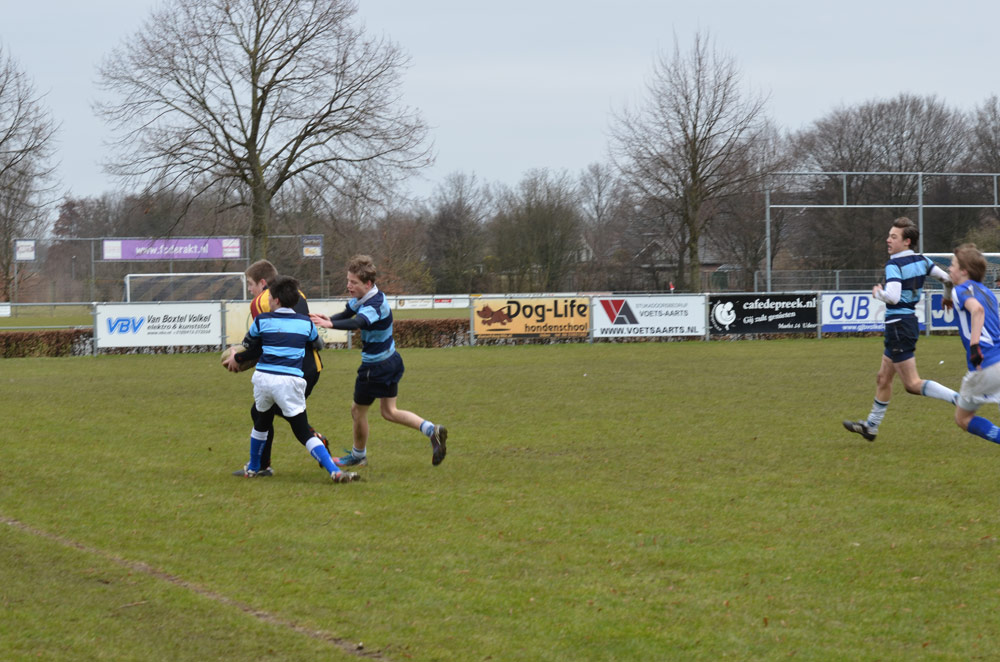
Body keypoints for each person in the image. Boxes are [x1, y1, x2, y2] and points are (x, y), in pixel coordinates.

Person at [310, 255, 447, 467]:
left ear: (368, 283)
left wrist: (331, 325)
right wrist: (328, 319)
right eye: (348, 281)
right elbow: (347, 313)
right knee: (389, 411)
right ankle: (432, 430)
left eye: (354, 282)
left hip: (375, 367)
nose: (349, 286)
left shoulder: (374, 305)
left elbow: (357, 322)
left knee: (357, 411)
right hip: (391, 360)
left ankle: (358, 456)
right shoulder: (366, 296)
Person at [229, 275, 358, 482]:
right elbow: (318, 344)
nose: (267, 300)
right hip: (290, 381)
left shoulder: (262, 320)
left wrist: (236, 357)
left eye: (269, 297)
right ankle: (334, 471)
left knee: (261, 422)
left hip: (264, 379)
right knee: (302, 431)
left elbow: (250, 348)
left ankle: (253, 467)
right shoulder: (305, 323)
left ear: (276, 300)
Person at [843, 217, 958, 441]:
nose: (888, 240)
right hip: (906, 324)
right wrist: (947, 297)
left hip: (898, 326)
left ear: (907, 241)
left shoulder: (894, 264)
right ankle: (871, 427)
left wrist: (878, 293)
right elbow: (947, 279)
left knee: (912, 384)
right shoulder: (922, 260)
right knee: (883, 378)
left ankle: (960, 400)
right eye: (889, 235)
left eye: (893, 237)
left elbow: (893, 297)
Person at [224, 259, 328, 476]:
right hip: (312, 367)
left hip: (286, 370)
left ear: (263, 283)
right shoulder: (298, 293)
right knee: (274, 411)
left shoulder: (261, 302)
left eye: (250, 284)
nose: (250, 290)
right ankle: (266, 463)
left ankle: (265, 464)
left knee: (266, 413)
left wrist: (238, 358)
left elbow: (261, 345)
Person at [947, 244, 1000, 445]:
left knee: (963, 418)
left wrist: (974, 347)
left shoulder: (960, 290)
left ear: (964, 271)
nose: (949, 269)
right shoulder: (987, 292)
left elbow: (977, 310)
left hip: (986, 364)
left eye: (953, 265)